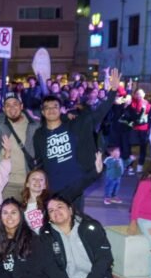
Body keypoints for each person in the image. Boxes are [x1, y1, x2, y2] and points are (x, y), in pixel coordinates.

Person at [33, 68, 120, 211]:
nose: (51, 110)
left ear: (61, 109)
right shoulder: (39, 134)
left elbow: (99, 113)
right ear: (42, 112)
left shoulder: (74, 126)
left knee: (76, 219)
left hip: (76, 186)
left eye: (55, 106)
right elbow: (39, 161)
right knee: (54, 220)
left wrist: (113, 92)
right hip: (52, 187)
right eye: (47, 108)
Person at [20, 169, 49, 234]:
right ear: (27, 184)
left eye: (41, 179)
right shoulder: (21, 207)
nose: (37, 181)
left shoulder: (50, 203)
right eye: (34, 179)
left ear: (45, 186)